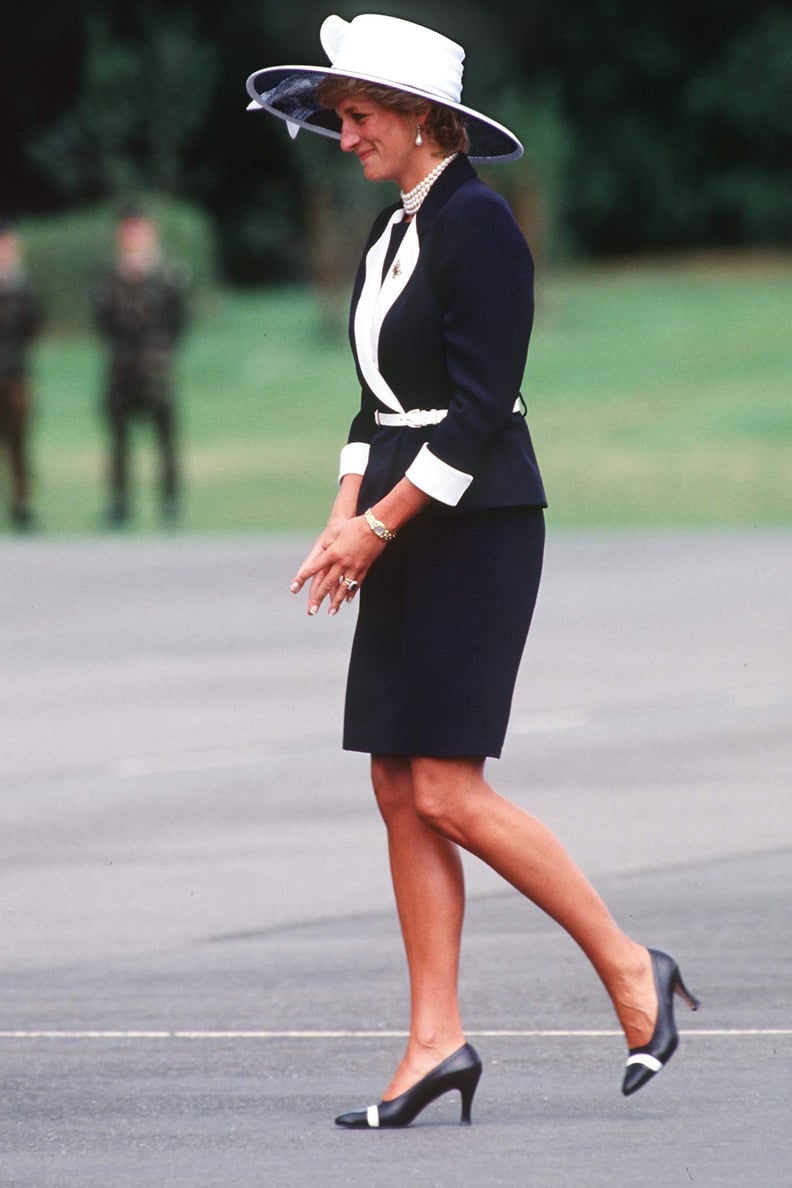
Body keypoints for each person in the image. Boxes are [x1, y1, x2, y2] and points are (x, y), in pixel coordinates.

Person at [247, 13, 700, 1129]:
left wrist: (382, 524)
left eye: (356, 117)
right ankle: (435, 1040)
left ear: (420, 119)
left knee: (446, 785)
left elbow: (481, 409)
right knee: (396, 783)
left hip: (477, 519)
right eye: (339, 117)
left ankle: (632, 968)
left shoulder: (480, 226)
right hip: (403, 517)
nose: (340, 134)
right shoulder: (390, 233)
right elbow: (374, 404)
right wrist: (341, 518)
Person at [92, 204, 189, 527]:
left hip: (156, 368)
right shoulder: (110, 274)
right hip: (121, 367)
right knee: (119, 440)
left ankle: (170, 502)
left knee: (165, 438)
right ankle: (120, 504)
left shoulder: (168, 272)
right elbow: (102, 319)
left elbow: (179, 320)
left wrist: (162, 352)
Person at [0, 218, 44, 531]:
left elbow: (34, 327)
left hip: (16, 372)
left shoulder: (25, 287)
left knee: (19, 443)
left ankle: (22, 504)